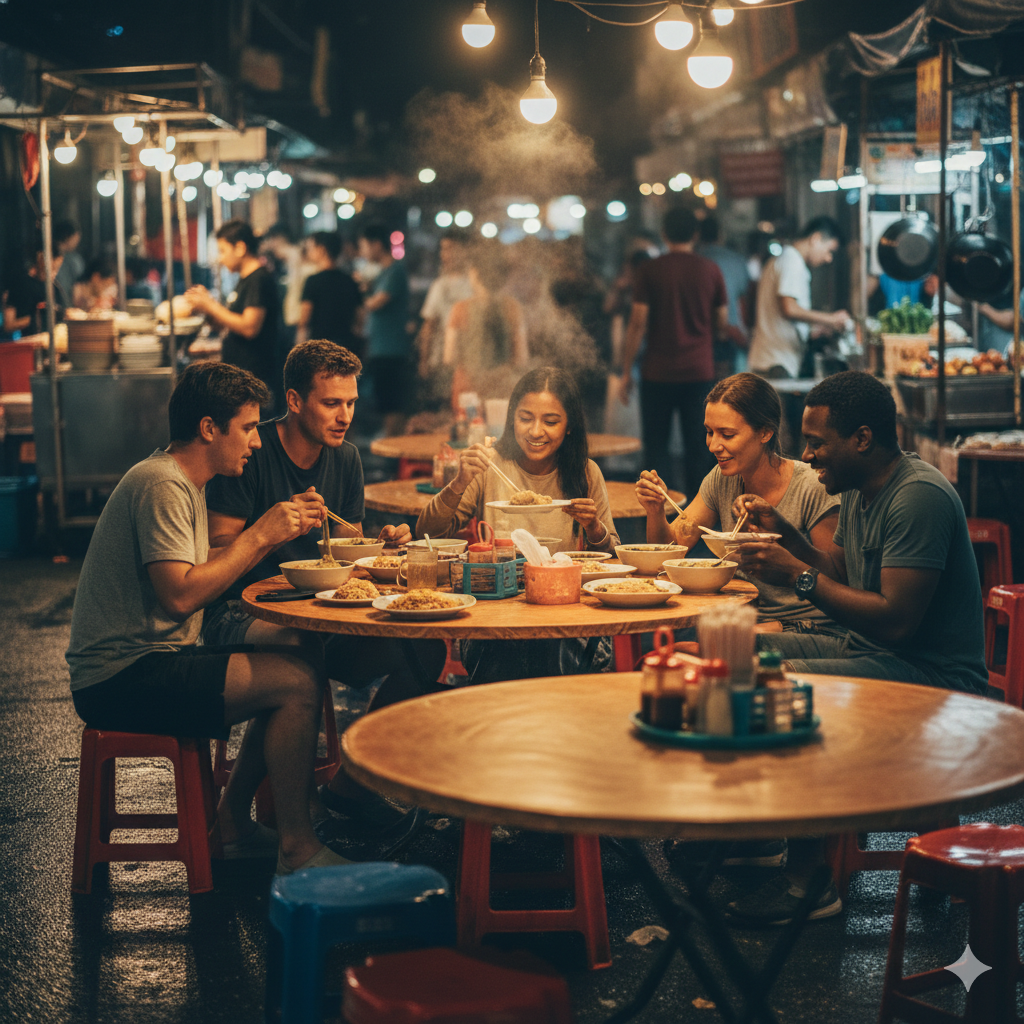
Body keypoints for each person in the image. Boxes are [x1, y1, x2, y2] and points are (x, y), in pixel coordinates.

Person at [65, 361, 349, 876]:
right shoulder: (163, 484)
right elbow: (178, 598)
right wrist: (260, 535)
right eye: (246, 429)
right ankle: (297, 847)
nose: (256, 442)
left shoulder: (185, 481)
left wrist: (264, 536)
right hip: (121, 675)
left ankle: (237, 824)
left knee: (293, 654)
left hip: (156, 657)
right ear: (208, 428)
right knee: (297, 684)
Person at [203, 340, 444, 842]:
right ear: (294, 401)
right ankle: (240, 814)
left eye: (351, 403)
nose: (344, 416)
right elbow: (217, 554)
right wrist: (273, 530)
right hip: (238, 612)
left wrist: (382, 547)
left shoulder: (346, 459)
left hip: (321, 611)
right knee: (299, 650)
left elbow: (347, 555)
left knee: (423, 647)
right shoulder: (251, 450)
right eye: (331, 403)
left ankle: (349, 785)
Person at [734, 370, 987, 694]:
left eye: (816, 443)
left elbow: (895, 624)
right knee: (733, 646)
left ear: (862, 439)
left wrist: (797, 575)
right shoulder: (855, 487)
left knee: (769, 681)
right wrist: (784, 533)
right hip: (864, 651)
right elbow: (839, 573)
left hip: (933, 675)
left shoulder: (918, 496)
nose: (807, 456)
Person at [417, 366, 619, 684]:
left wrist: (594, 528)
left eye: (550, 421)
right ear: (512, 417)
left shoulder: (585, 472)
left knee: (553, 650)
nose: (535, 431)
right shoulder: (490, 466)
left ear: (569, 427)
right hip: (497, 612)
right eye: (526, 418)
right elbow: (428, 532)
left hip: (566, 613)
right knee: (507, 652)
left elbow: (614, 556)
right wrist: (459, 482)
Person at [636, 372, 840, 633]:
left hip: (806, 623)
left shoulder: (811, 486)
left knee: (706, 648)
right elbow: (668, 550)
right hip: (742, 615)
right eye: (709, 432)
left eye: (727, 434)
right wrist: (655, 510)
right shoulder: (721, 479)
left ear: (765, 432)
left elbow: (835, 577)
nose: (713, 446)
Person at [618, 206, 728, 498]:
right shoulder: (711, 270)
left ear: (664, 234)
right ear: (695, 234)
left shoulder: (649, 270)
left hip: (657, 372)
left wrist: (627, 371)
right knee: (700, 445)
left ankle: (661, 511)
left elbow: (637, 323)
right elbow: (722, 321)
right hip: (700, 371)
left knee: (656, 447)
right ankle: (701, 512)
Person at [186, 220, 280, 401]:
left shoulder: (258, 279)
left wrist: (211, 306)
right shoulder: (244, 280)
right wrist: (206, 310)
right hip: (242, 376)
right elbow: (231, 322)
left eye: (222, 251)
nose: (220, 259)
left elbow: (250, 327)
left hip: (255, 378)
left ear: (240, 248)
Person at [747, 216, 850, 381]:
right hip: (777, 363)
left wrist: (813, 329)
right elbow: (789, 308)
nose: (828, 258)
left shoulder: (786, 259)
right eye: (829, 250)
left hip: (771, 359)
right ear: (815, 239)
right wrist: (831, 319)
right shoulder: (791, 260)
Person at [443, 241, 528, 407]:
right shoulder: (513, 308)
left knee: (471, 432)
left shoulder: (460, 309)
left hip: (467, 392)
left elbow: (449, 357)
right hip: (503, 391)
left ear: (474, 274)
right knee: (500, 431)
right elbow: (521, 359)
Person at [358, 224, 412, 437]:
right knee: (387, 403)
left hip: (392, 349)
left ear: (377, 245)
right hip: (382, 348)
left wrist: (359, 295)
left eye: (364, 246)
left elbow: (375, 303)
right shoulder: (385, 273)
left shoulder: (395, 271)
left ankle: (395, 459)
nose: (362, 252)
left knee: (392, 405)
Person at [416, 228, 473, 406]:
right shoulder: (440, 285)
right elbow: (429, 325)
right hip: (443, 360)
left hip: (472, 360)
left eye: (450, 248)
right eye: (443, 249)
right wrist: (424, 360)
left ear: (465, 250)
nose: (444, 254)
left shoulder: (476, 283)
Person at [697, 215, 751, 377]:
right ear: (720, 235)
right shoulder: (736, 260)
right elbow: (743, 301)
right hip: (732, 334)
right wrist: (744, 333)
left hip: (699, 335)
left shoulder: (695, 260)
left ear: (697, 235)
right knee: (730, 388)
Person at [296, 232, 361, 353]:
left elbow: (304, 318)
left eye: (311, 248)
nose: (308, 252)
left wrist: (299, 347)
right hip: (346, 346)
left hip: (320, 348)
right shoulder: (350, 281)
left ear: (321, 250)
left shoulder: (313, 281)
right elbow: (360, 316)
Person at [4, 248, 62, 335]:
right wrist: (37, 318)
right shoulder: (19, 285)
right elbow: (8, 325)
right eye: (53, 269)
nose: (54, 274)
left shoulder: (54, 287)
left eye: (57, 269)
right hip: (28, 341)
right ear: (41, 259)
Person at [53, 219, 85, 308]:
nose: (77, 242)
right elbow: (78, 287)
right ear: (68, 236)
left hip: (59, 308)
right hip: (64, 307)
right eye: (76, 237)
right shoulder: (74, 260)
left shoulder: (48, 255)